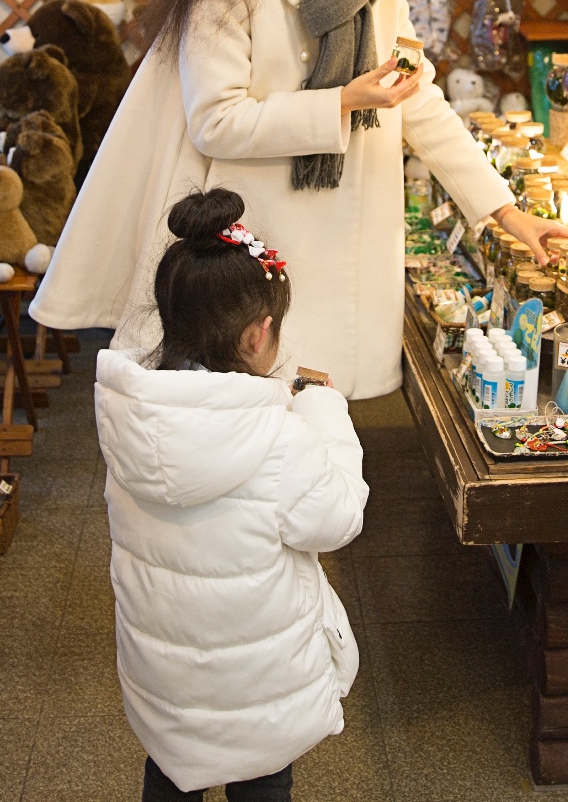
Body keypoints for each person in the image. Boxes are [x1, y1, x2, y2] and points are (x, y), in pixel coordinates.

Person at [34, 0, 568, 397]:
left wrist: (506, 213)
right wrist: (340, 102)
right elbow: (214, 122)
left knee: (328, 419)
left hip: (352, 242)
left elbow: (420, 103)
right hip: (260, 237)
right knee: (253, 410)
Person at [96, 189, 366, 802]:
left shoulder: (129, 415)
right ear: (258, 335)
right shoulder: (277, 435)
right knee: (263, 782)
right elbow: (338, 517)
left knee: (168, 773)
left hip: (163, 677)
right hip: (256, 689)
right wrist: (323, 407)